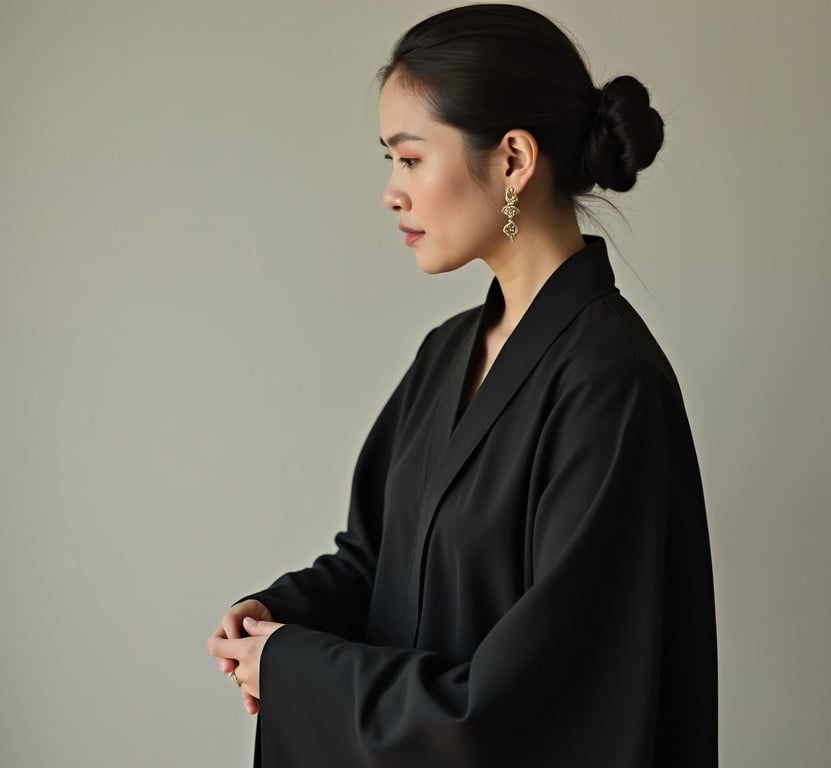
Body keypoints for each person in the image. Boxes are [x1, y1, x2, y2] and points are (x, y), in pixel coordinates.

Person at [208, 4, 717, 766]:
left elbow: (542, 699)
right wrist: (280, 614)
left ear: (513, 159)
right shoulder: (445, 355)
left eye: (410, 159)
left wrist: (294, 665)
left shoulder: (611, 384)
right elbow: (377, 560)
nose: (391, 191)